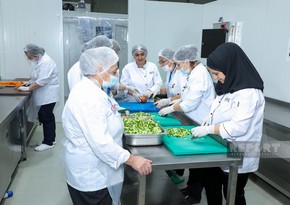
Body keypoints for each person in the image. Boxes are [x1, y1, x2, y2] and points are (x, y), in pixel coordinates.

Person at [62, 47, 152, 205]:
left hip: (100, 169)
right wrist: (132, 160)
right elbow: (100, 142)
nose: (116, 76)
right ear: (98, 69)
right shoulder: (87, 97)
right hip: (91, 175)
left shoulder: (95, 89)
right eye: (114, 71)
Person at [191, 42, 265, 205]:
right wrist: (208, 120)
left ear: (230, 67)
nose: (216, 78)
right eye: (213, 74)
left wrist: (209, 128)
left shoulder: (249, 93)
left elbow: (238, 127)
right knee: (212, 186)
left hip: (240, 149)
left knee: (233, 192)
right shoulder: (228, 84)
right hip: (220, 145)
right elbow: (218, 108)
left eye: (217, 73)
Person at [156, 44, 217, 204]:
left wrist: (169, 109)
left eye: (181, 63)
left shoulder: (199, 75)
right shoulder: (193, 72)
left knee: (199, 163)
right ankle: (191, 189)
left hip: (201, 121)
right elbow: (184, 95)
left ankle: (194, 194)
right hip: (193, 120)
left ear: (189, 60)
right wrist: (169, 102)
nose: (180, 67)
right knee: (196, 163)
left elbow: (190, 104)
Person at [18, 44, 60, 151]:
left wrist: (27, 89)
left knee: (46, 117)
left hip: (48, 95)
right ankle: (50, 139)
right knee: (45, 116)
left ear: (36, 54)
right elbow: (36, 77)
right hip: (44, 94)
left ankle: (48, 142)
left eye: (29, 57)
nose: (28, 59)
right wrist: (29, 83)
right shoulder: (39, 61)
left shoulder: (46, 62)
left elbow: (42, 81)